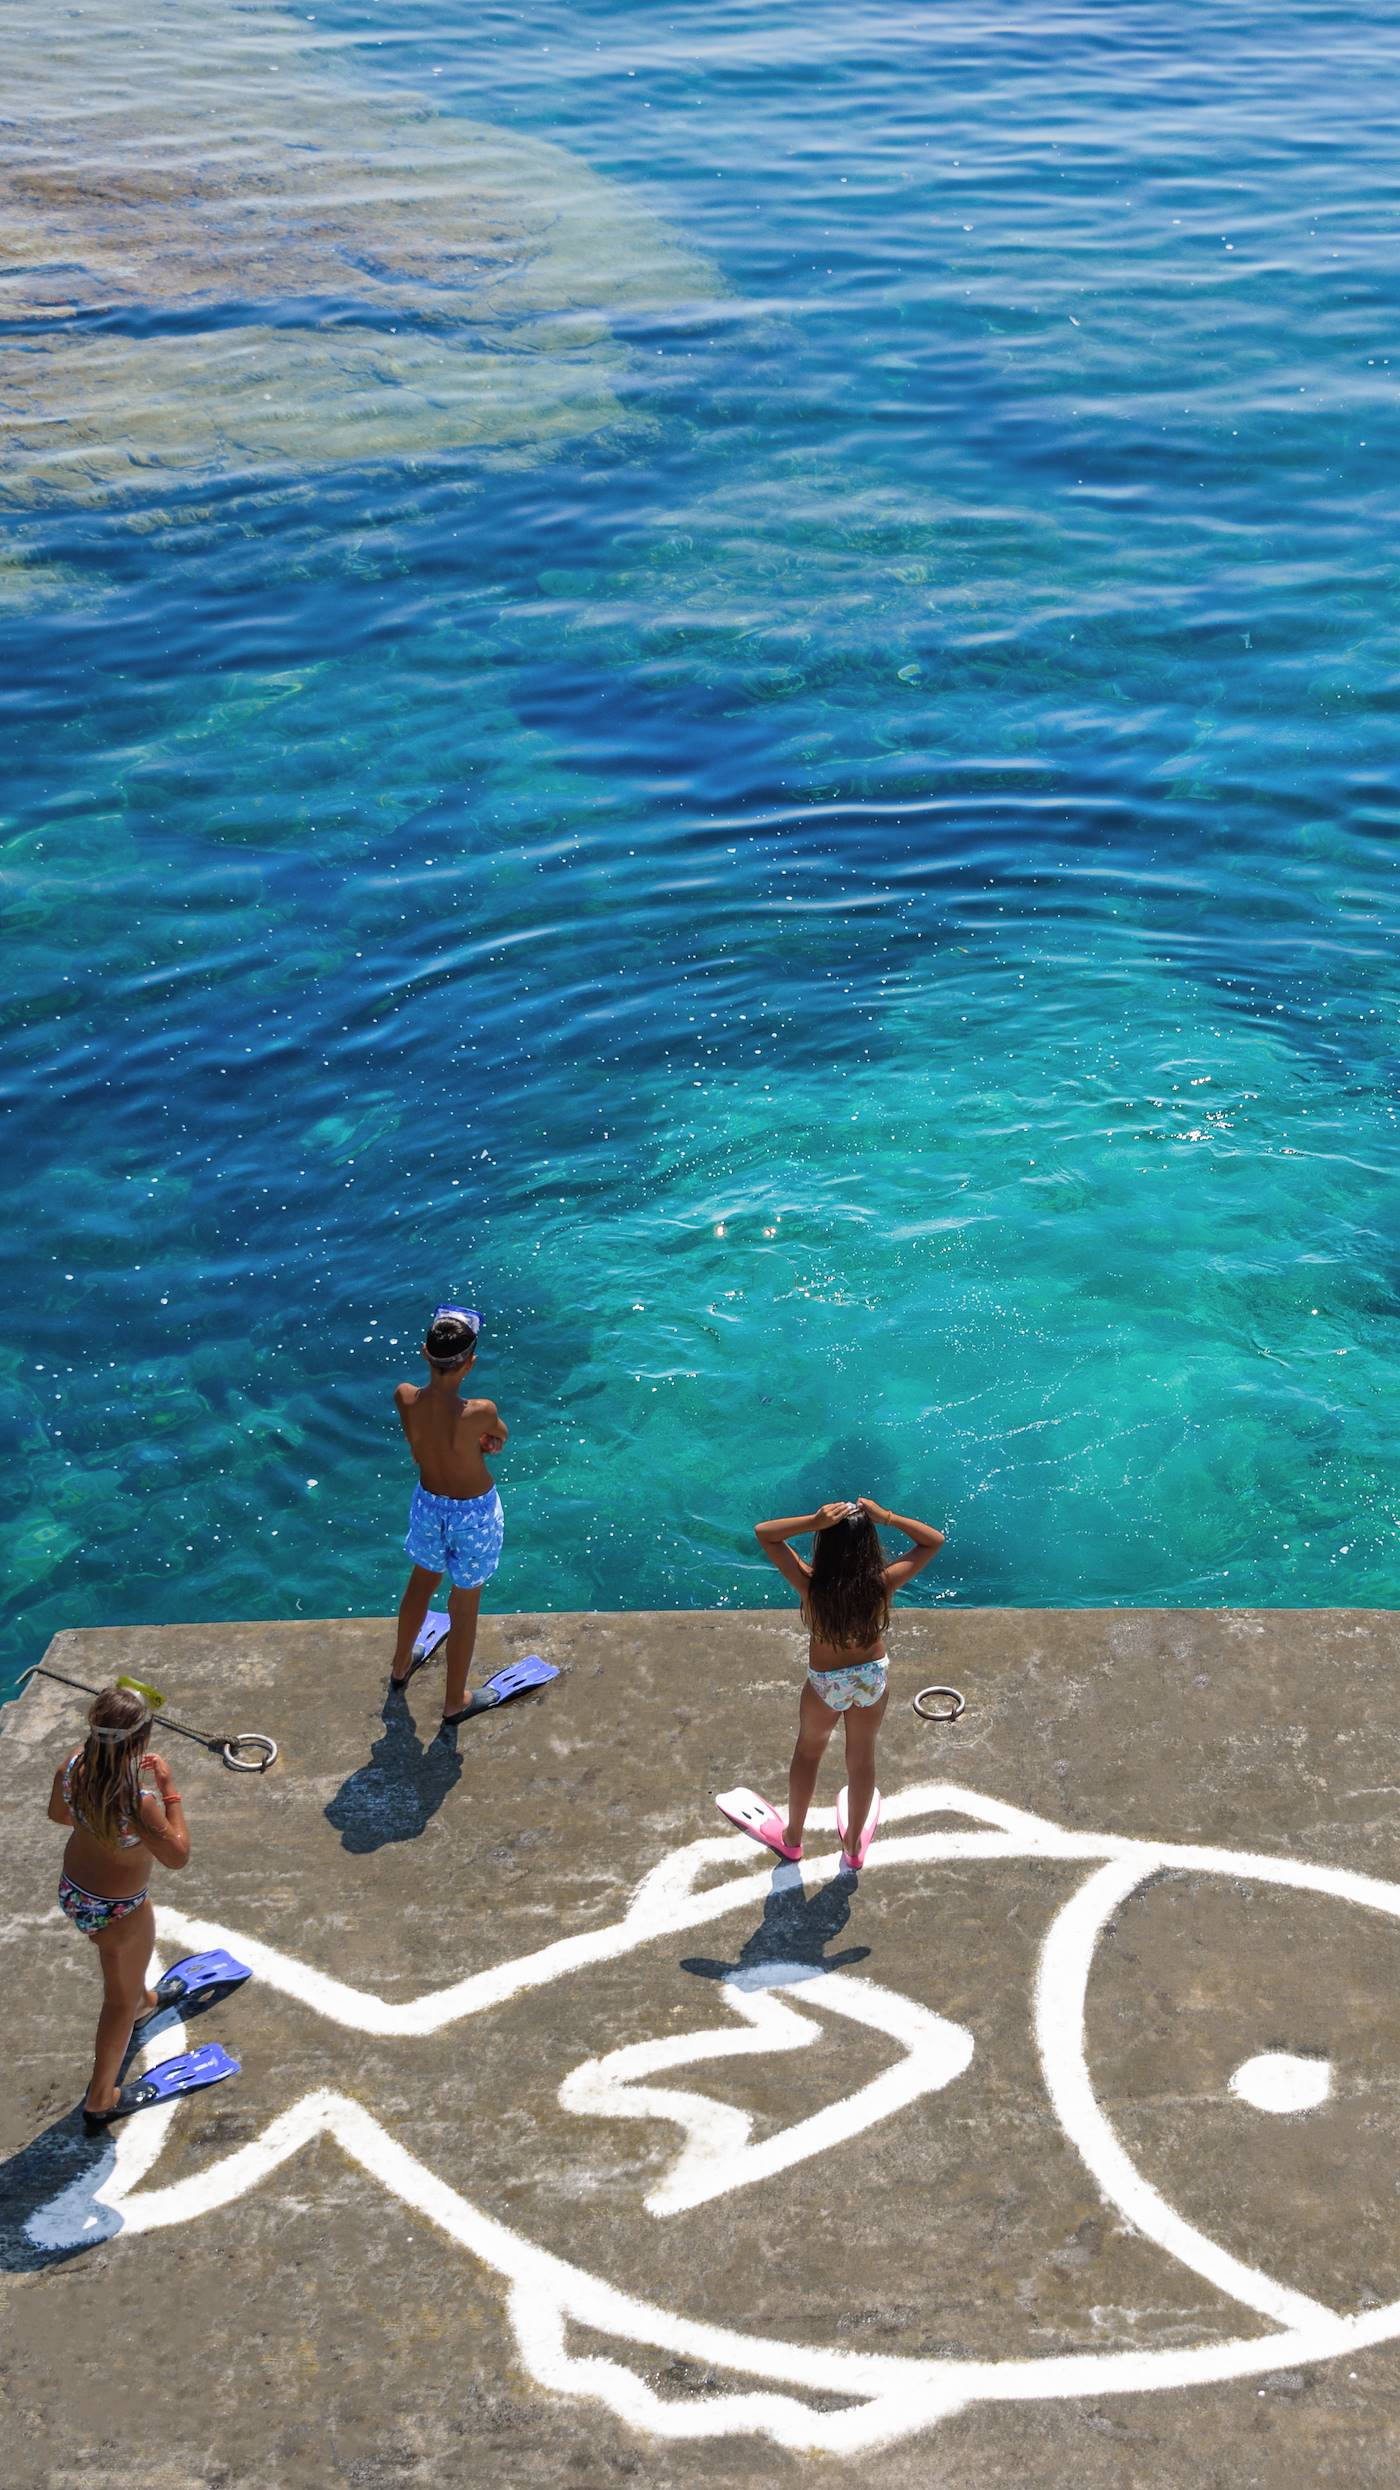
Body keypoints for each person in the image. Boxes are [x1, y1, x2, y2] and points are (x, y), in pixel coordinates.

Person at [753, 1496, 945, 1866]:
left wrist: (812, 1519)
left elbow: (765, 1535)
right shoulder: (881, 1584)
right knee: (861, 1761)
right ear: (868, 1546)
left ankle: (793, 1838)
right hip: (871, 1679)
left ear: (826, 1543)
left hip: (825, 1684)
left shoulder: (811, 1585)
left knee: (809, 1754)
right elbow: (933, 1541)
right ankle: (854, 1847)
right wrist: (886, 1516)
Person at [47, 1682, 191, 2130]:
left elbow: (59, 1815)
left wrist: (101, 1826)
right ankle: (100, 2098)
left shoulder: (73, 1765)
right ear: (142, 1741)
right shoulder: (139, 1801)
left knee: (132, 1974)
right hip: (119, 1910)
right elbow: (177, 1856)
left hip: (76, 1890)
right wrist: (169, 1791)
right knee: (117, 2000)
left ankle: (146, 2001)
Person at [390, 1302, 509, 1725]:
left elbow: (423, 1441)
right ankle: (455, 1699)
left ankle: (401, 1665)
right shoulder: (479, 1411)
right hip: (473, 1514)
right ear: (470, 1363)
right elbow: (500, 1435)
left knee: (420, 1584)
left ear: (425, 1352)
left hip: (428, 1502)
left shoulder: (404, 1397)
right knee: (464, 1602)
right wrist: (485, 1442)